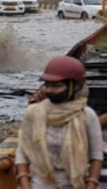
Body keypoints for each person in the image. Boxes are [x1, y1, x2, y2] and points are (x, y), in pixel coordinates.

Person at [16, 56, 103, 189]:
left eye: (57, 86)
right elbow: (22, 153)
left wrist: (91, 184)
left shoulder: (87, 116)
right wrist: (25, 184)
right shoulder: (33, 113)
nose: (50, 90)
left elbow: (96, 156)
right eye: (48, 85)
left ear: (73, 86)